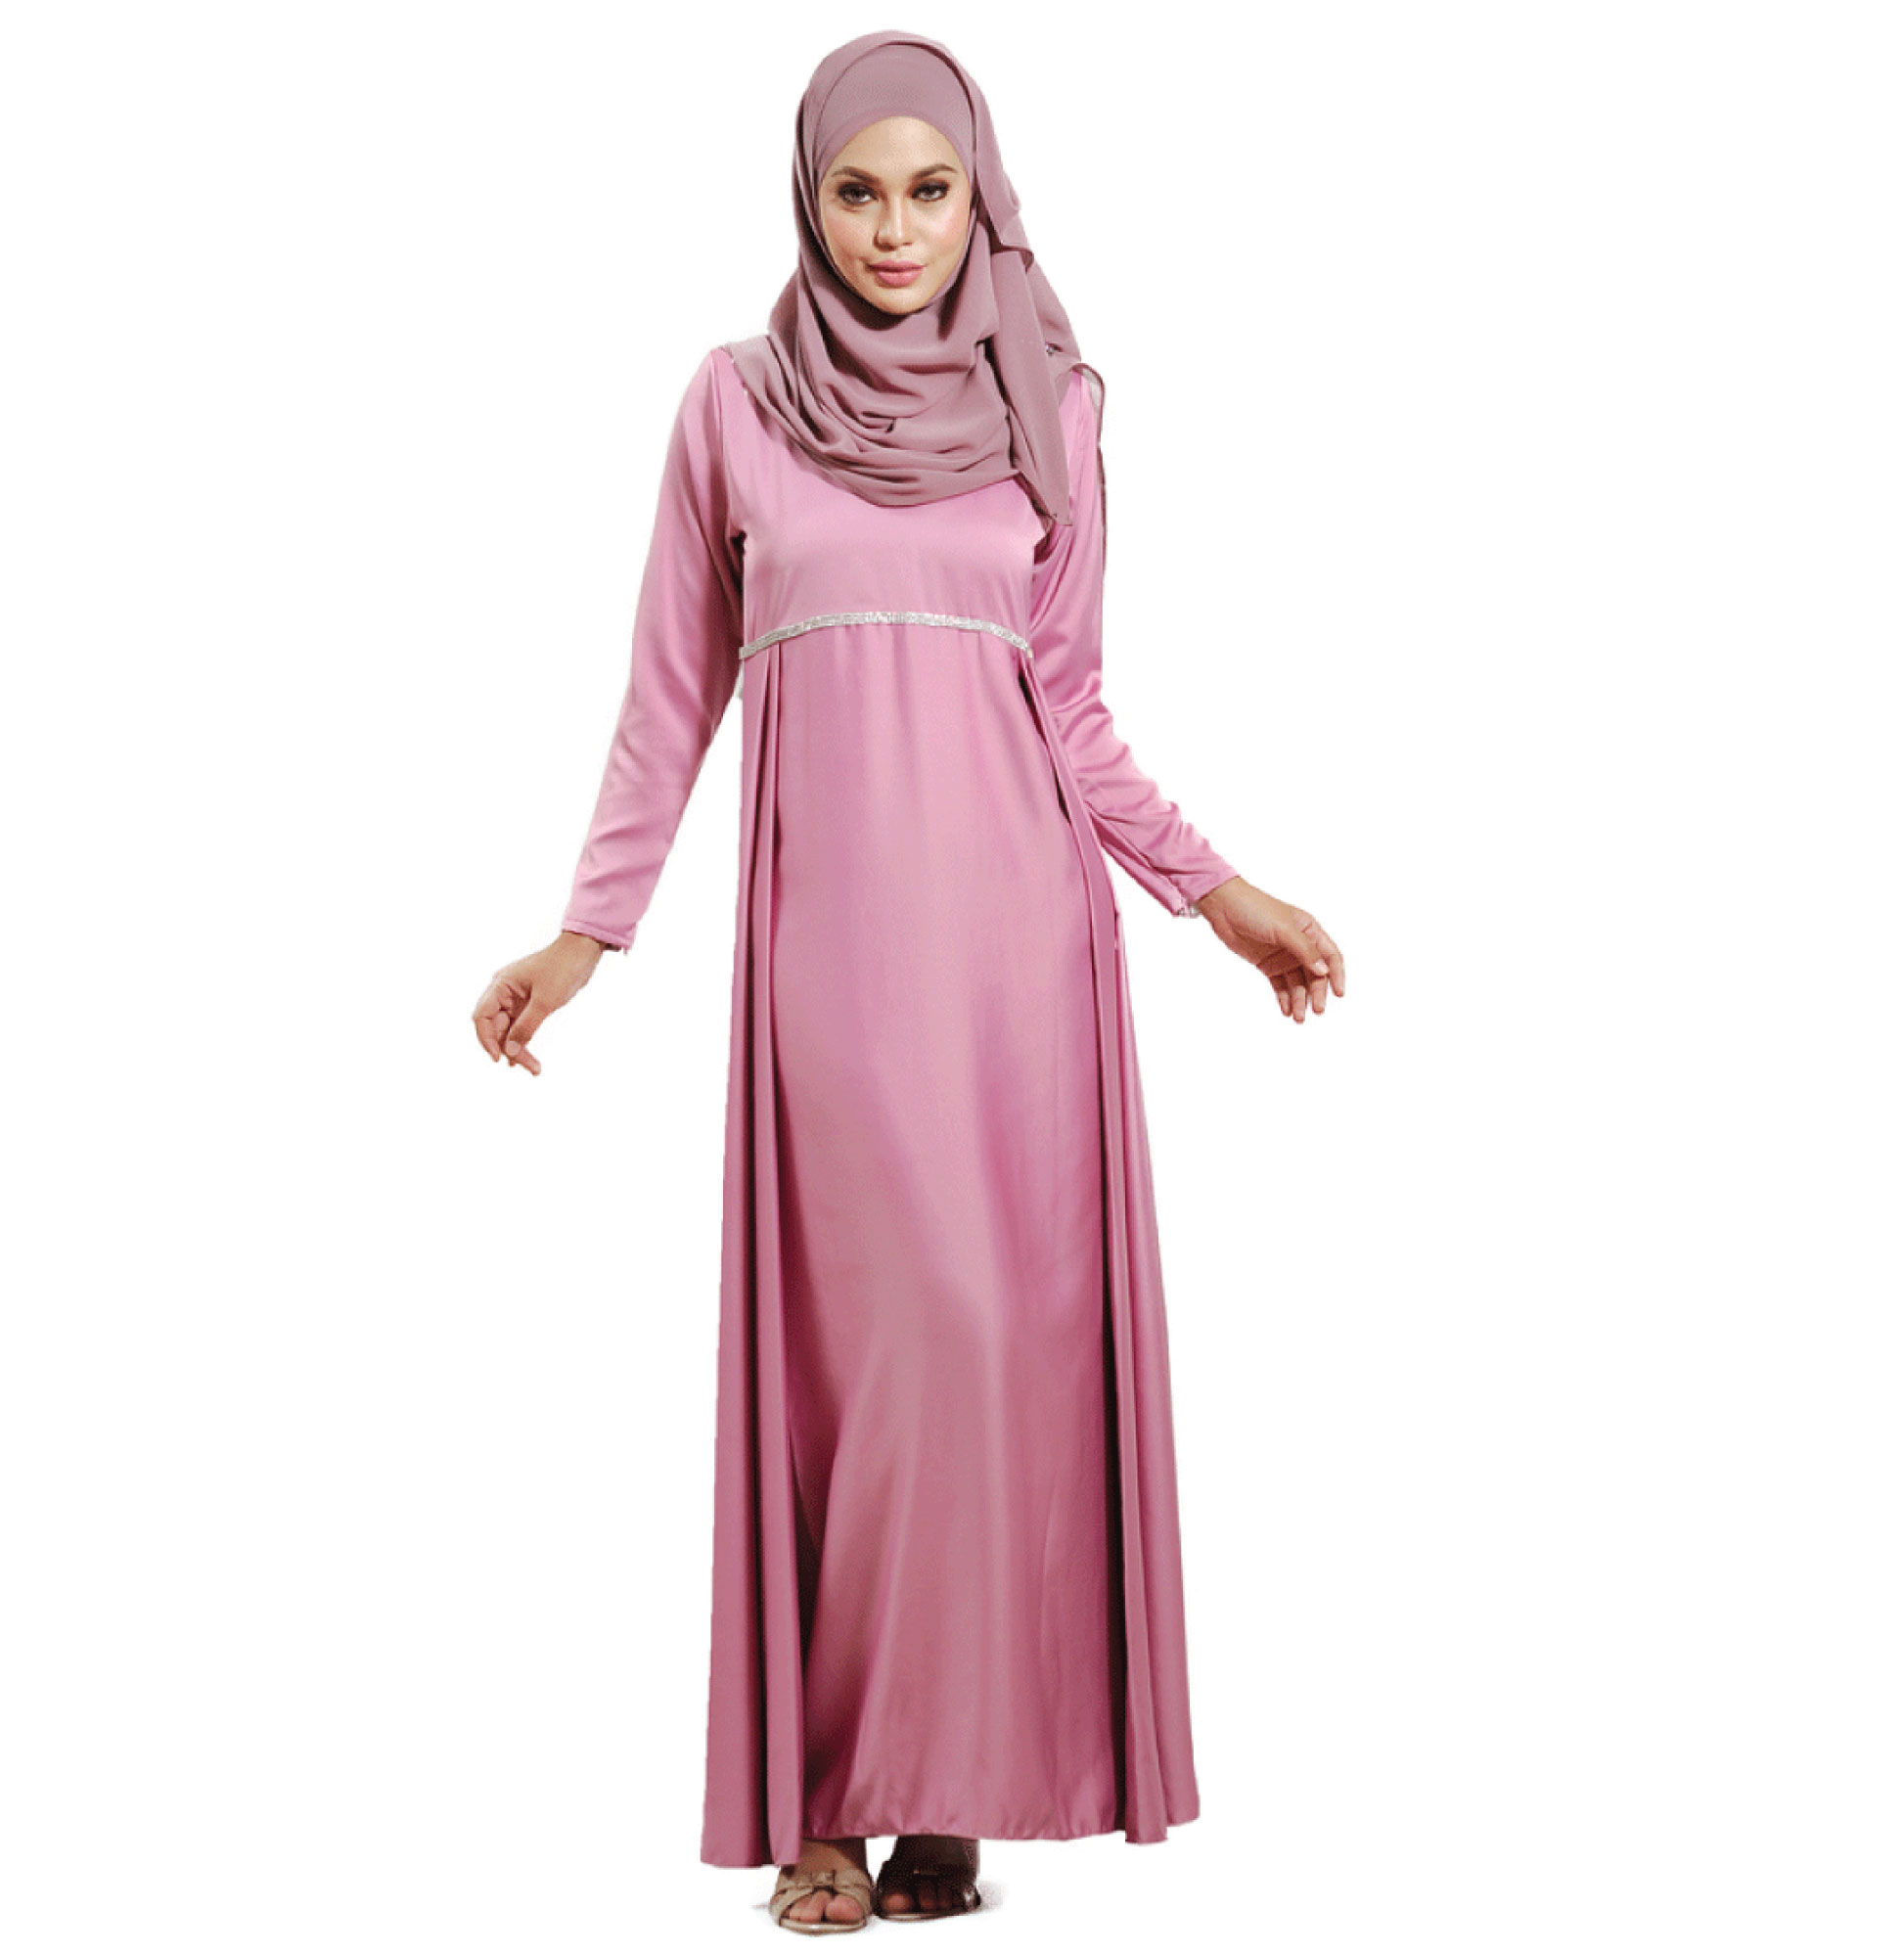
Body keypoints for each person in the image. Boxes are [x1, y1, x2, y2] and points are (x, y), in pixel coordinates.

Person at [471, 30, 1345, 1934]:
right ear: (807, 200)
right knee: (865, 1362)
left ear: (980, 197)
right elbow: (669, 695)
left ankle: (940, 1789)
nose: (893, 230)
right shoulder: (733, 403)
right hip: (831, 965)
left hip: (1026, 954)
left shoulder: (1057, 405)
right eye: (856, 193)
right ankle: (828, 1800)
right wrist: (586, 933)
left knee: (998, 1363)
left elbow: (1074, 707)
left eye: (929, 192)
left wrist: (1217, 894)